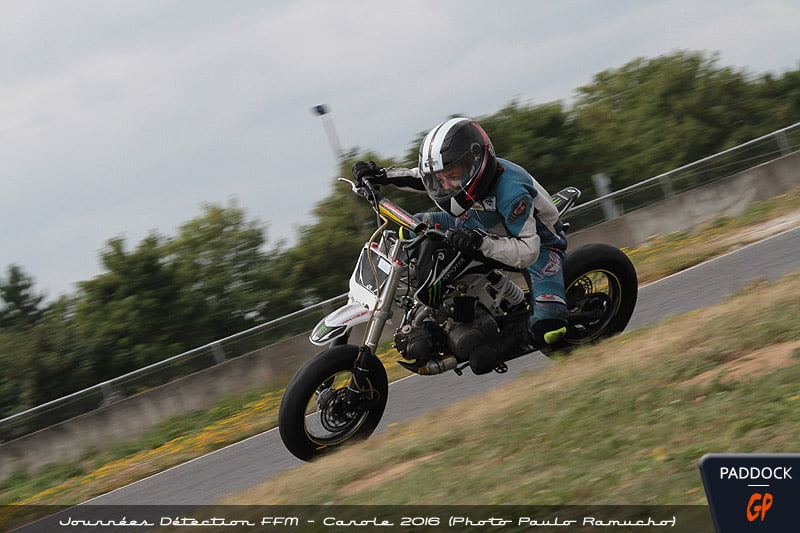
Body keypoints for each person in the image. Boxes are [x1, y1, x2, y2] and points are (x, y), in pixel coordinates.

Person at [353, 117, 568, 347]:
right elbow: (423, 178)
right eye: (440, 178)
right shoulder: (458, 175)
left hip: (538, 245)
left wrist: (481, 243)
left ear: (476, 164)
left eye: (453, 177)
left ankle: (500, 344)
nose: (445, 186)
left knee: (549, 328)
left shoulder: (512, 192)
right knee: (414, 226)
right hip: (479, 225)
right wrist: (383, 175)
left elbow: (529, 252)